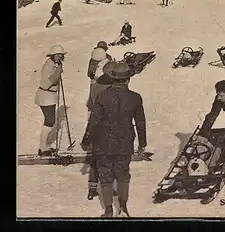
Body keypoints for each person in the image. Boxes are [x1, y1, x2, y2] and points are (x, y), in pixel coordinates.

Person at [81, 61, 147, 218]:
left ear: (112, 78)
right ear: (128, 79)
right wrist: (142, 143)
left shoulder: (102, 96)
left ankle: (108, 209)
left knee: (105, 174)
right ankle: (123, 205)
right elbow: (141, 122)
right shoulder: (135, 98)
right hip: (125, 141)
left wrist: (86, 140)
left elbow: (94, 121)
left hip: (103, 141)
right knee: (123, 173)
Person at [85, 47, 113, 200]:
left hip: (99, 117)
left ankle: (93, 187)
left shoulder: (98, 76)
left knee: (97, 155)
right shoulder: (108, 67)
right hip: (109, 118)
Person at [34, 45, 66, 156]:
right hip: (45, 96)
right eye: (57, 55)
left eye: (61, 55)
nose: (59, 57)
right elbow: (45, 84)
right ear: (52, 55)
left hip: (50, 96)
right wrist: (57, 73)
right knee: (49, 121)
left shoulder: (54, 64)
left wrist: (58, 70)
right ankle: (42, 148)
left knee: (50, 121)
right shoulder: (48, 66)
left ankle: (45, 146)